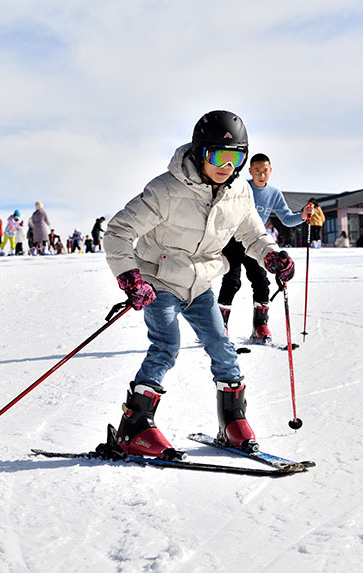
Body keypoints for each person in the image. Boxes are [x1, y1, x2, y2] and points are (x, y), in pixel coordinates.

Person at [104, 110, 298, 459]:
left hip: (201, 282)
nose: (226, 165)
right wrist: (129, 277)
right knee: (166, 346)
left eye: (235, 157)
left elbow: (253, 234)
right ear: (199, 153)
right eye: (217, 156)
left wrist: (271, 256)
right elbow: (118, 231)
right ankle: (135, 426)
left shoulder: (239, 192)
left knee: (222, 348)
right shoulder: (165, 189)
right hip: (158, 279)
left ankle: (232, 420)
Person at [217, 152, 309, 343]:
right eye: (257, 171)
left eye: (264, 171)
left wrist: (302, 216)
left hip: (255, 242)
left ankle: (260, 325)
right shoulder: (242, 187)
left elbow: (286, 218)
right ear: (250, 171)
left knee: (261, 281)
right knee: (231, 281)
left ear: (270, 171)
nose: (261, 174)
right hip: (234, 241)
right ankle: (220, 326)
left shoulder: (274, 193)